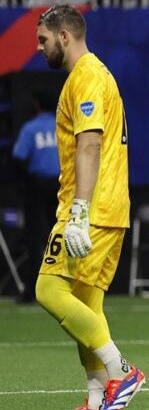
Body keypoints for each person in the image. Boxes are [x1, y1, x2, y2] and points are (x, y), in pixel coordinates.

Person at [33, 4, 144, 410]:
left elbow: (91, 143)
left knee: (48, 290)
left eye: (43, 39)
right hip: (103, 207)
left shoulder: (88, 77)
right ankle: (99, 403)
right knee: (85, 304)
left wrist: (78, 211)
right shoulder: (88, 77)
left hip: (91, 209)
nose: (39, 47)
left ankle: (122, 372)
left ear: (64, 36)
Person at [12, 90, 60, 305]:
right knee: (61, 237)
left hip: (37, 187)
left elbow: (19, 159)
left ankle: (32, 291)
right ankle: (67, 290)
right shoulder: (62, 126)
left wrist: (26, 181)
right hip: (62, 186)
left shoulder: (31, 128)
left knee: (35, 239)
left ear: (36, 105)